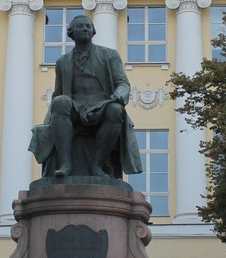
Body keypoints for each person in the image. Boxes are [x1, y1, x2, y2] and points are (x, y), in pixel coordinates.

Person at [29, 14, 143, 180]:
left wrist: (119, 94)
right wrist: (48, 122)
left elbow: (123, 83)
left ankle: (97, 165)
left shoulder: (109, 55)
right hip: (75, 107)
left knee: (116, 110)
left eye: (88, 26)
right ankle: (65, 164)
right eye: (80, 26)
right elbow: (58, 93)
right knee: (60, 102)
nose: (85, 29)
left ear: (93, 31)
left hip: (102, 105)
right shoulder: (63, 62)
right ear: (71, 32)